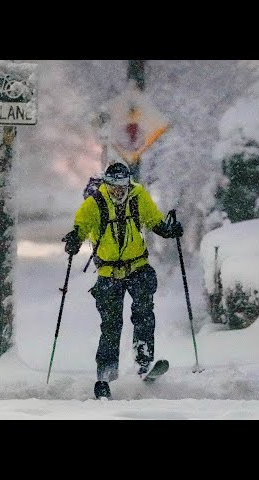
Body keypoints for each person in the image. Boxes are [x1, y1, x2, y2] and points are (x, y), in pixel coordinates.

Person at [62, 162, 183, 399]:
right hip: (108, 274)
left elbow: (153, 220)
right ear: (106, 185)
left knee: (144, 315)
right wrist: (74, 240)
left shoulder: (138, 196)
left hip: (138, 267)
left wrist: (168, 230)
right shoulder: (93, 204)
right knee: (111, 326)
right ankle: (105, 374)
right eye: (114, 187)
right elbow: (81, 228)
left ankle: (144, 361)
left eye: (123, 186)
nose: (119, 191)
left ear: (129, 184)